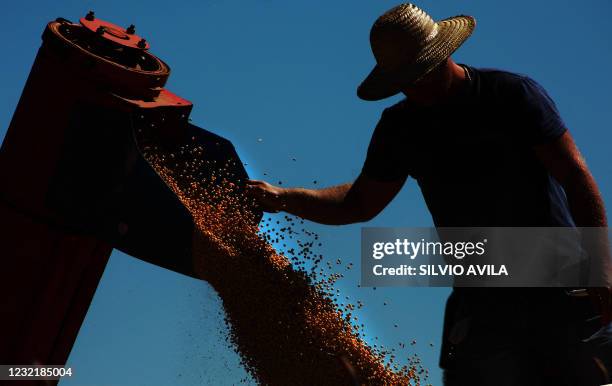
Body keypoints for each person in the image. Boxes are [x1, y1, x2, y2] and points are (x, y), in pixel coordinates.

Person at [246, 3, 610, 385]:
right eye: (404, 80)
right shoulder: (400, 128)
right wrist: (282, 198)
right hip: (481, 298)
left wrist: (600, 267)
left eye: (420, 73)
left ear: (443, 55)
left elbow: (574, 175)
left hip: (559, 284)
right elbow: (359, 202)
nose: (415, 86)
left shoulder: (510, 95)